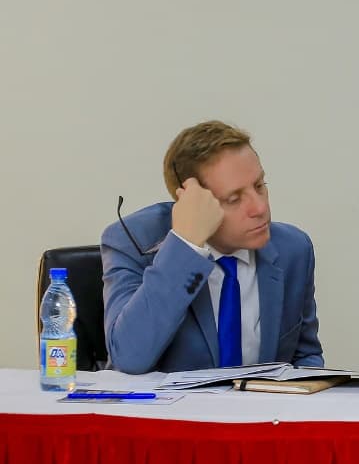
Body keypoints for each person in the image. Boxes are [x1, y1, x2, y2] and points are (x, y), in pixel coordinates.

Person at [100, 120, 323, 374]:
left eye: (260, 186)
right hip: (174, 412)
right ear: (194, 203)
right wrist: (185, 246)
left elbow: (305, 356)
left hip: (261, 411)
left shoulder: (293, 249)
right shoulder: (131, 241)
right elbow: (129, 358)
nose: (260, 208)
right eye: (234, 199)